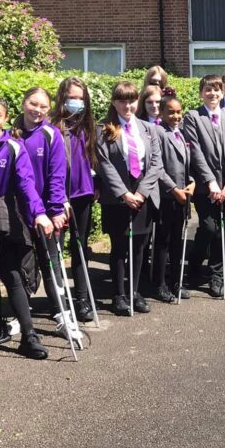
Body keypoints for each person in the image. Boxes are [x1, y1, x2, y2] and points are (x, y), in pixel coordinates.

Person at [0, 96, 53, 360]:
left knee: (13, 276)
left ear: (5, 117)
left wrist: (39, 213)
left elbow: (27, 184)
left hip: (7, 220)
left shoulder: (14, 147)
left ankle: (29, 336)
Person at [95, 81, 163, 315]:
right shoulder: (104, 129)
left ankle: (134, 292)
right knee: (119, 248)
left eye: (132, 100)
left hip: (142, 194)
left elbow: (155, 163)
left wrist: (141, 192)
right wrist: (124, 194)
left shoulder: (148, 128)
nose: (128, 105)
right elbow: (103, 164)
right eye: (122, 100)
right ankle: (118, 294)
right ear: (114, 102)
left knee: (140, 246)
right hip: (118, 197)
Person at [13, 87, 76, 337]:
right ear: (23, 102)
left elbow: (57, 176)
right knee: (21, 266)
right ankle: (21, 315)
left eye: (42, 106)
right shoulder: (10, 135)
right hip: (18, 213)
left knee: (52, 265)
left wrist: (56, 208)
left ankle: (62, 314)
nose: (37, 110)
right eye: (33, 103)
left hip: (47, 214)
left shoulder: (51, 135)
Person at [183, 74, 225, 298]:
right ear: (201, 93)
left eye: (217, 89)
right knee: (209, 228)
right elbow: (195, 151)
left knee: (224, 233)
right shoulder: (193, 117)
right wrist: (210, 182)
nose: (213, 94)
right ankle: (194, 267)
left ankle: (216, 275)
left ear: (222, 93)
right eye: (208, 90)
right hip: (204, 187)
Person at [53, 77, 97, 323]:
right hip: (59, 199)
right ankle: (60, 301)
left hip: (84, 195)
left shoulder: (87, 125)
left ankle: (82, 299)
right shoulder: (53, 128)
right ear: (62, 98)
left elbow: (95, 160)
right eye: (72, 97)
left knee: (80, 249)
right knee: (57, 252)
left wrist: (96, 185)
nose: (76, 103)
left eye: (80, 99)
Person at [154, 94, 195, 302]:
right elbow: (158, 167)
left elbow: (189, 163)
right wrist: (173, 190)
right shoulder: (159, 132)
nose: (175, 116)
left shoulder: (182, 133)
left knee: (177, 242)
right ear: (161, 113)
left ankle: (176, 281)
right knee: (163, 242)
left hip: (183, 196)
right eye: (170, 112)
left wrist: (192, 182)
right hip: (167, 196)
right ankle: (160, 284)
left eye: (178, 111)